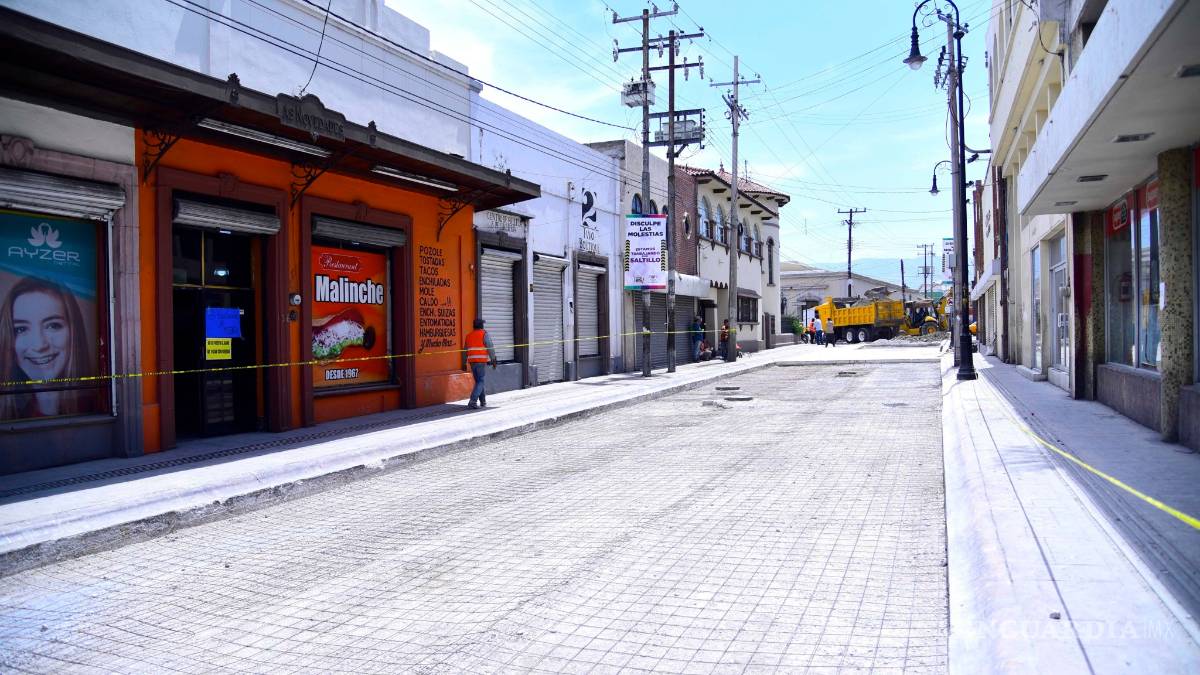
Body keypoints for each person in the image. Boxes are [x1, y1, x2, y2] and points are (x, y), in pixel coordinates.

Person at [0, 276, 96, 420]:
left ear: (74, 332)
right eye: (21, 329)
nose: (39, 345)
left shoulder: (99, 405)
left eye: (53, 326)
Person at [462, 317, 497, 409]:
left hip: (472, 362)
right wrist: (493, 360)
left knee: (479, 381)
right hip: (481, 361)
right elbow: (490, 347)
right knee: (480, 381)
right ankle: (472, 401)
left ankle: (483, 401)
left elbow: (464, 351)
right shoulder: (484, 334)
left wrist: (463, 363)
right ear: (481, 325)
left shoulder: (468, 336)